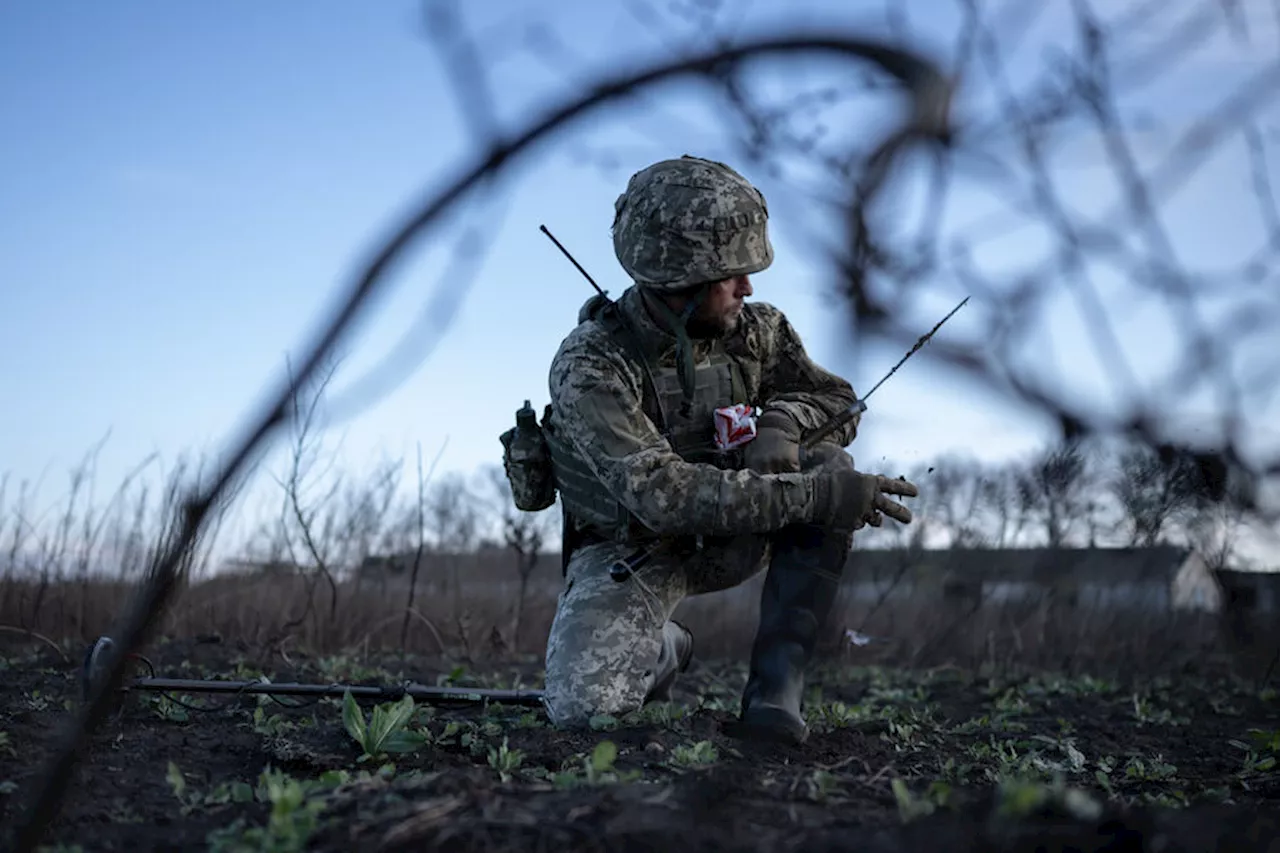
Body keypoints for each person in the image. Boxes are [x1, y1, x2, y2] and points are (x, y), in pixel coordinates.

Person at [501, 155, 919, 744]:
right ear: (677, 282)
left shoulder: (758, 329)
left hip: (741, 535)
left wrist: (783, 420)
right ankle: (666, 648)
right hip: (637, 550)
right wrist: (819, 497)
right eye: (730, 274)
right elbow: (663, 498)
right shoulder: (591, 364)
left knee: (829, 458)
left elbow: (839, 401)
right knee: (581, 709)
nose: (748, 287)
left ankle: (777, 691)